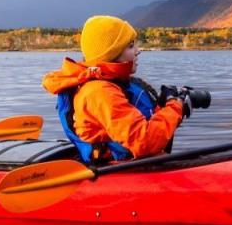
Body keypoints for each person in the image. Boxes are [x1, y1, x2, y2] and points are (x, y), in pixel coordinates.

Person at [42, 15, 186, 162]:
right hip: (113, 170)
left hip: (127, 164)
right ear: (112, 54)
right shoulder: (99, 91)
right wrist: (176, 106)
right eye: (130, 46)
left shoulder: (111, 83)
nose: (138, 51)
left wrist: (167, 107)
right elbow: (144, 141)